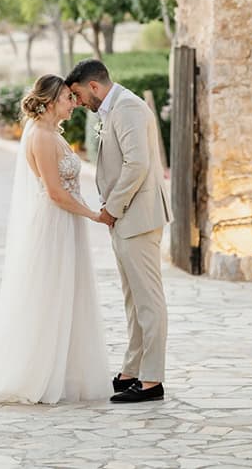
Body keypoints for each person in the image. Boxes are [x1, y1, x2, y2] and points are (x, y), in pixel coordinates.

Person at [0, 74, 111, 404]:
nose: (75, 104)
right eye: (69, 98)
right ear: (52, 101)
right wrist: (94, 214)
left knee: (68, 291)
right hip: (54, 223)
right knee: (49, 292)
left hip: (68, 222)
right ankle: (38, 371)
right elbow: (54, 192)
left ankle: (66, 369)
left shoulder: (52, 132)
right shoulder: (40, 136)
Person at [66, 59, 173, 404]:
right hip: (127, 218)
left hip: (136, 216)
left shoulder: (127, 107)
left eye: (79, 95)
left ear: (93, 86)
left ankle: (152, 380)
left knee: (148, 301)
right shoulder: (112, 109)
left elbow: (137, 164)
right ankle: (132, 370)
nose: (79, 102)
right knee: (133, 300)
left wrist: (112, 208)